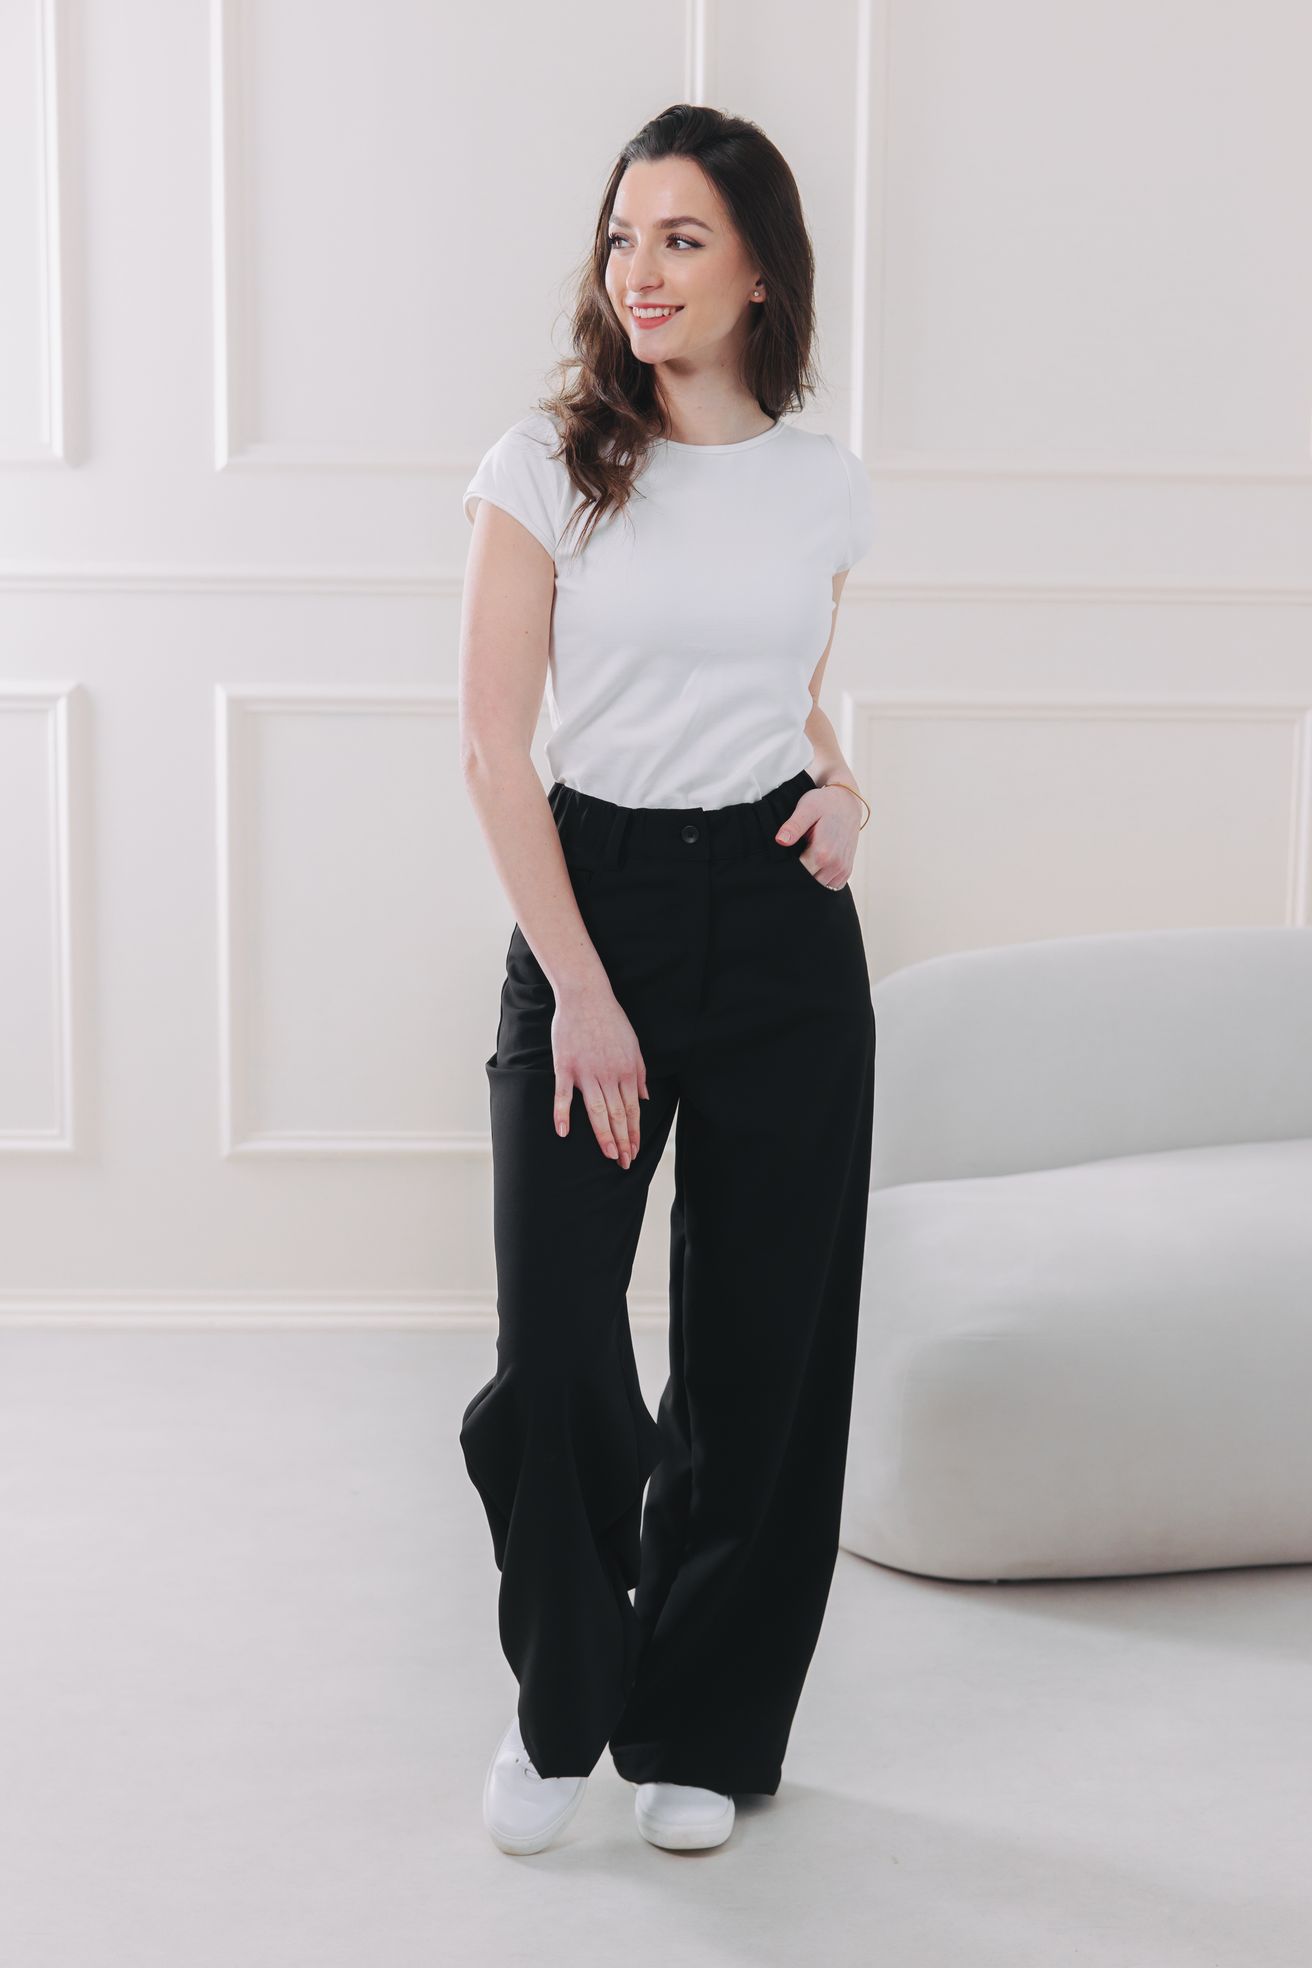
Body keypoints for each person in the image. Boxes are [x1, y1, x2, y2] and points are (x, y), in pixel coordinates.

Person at [457, 101, 876, 1857]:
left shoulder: (821, 480)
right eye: (625, 237)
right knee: (559, 1350)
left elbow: (785, 696)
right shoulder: (548, 463)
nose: (642, 271)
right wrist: (582, 993)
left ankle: (703, 1719)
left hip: (782, 927)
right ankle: (562, 1703)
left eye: (684, 238)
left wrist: (848, 789)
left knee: (762, 1352)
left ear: (761, 268)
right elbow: (495, 748)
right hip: (596, 907)